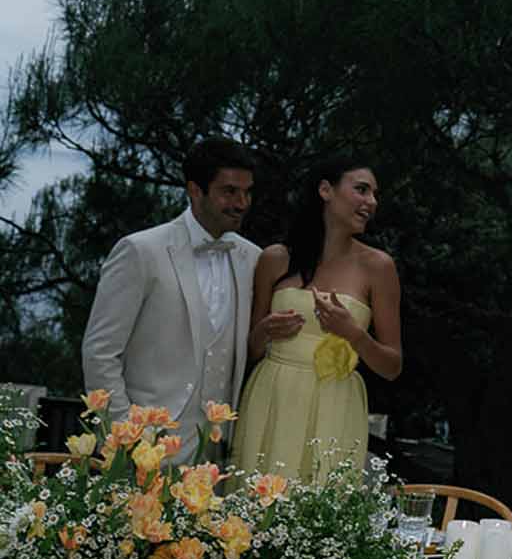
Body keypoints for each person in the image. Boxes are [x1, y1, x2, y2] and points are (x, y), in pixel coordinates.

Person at [231, 154, 401, 483]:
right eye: (362, 190)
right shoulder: (274, 259)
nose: (372, 202)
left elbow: (392, 366)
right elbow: (249, 351)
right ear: (326, 190)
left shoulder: (378, 267)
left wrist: (353, 334)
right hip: (273, 397)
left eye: (374, 194)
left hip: (336, 402)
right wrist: (264, 331)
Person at [82, 137, 260, 443]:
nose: (241, 203)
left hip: (216, 449)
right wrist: (124, 435)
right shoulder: (140, 250)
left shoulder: (254, 259)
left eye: (247, 192)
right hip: (144, 440)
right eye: (229, 191)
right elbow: (100, 352)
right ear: (195, 190)